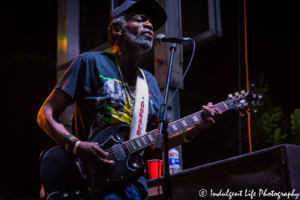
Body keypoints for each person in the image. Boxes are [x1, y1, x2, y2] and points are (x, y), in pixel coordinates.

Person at [37, 0, 222, 199]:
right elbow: (45, 114)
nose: (150, 25)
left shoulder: (148, 82)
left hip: (135, 186)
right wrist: (77, 146)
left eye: (151, 21)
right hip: (91, 183)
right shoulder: (90, 63)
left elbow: (155, 140)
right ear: (117, 29)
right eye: (141, 19)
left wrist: (196, 128)